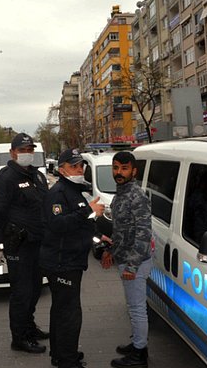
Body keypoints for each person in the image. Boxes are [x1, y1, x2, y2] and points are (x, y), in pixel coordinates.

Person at [0, 132, 50, 354]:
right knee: (21, 293)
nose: (27, 154)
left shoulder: (38, 177)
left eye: (30, 150)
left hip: (37, 243)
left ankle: (29, 327)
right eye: (22, 150)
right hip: (18, 246)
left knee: (34, 290)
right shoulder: (4, 179)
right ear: (13, 153)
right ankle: (19, 338)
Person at [40, 148, 104, 368]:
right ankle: (67, 359)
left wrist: (96, 234)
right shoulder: (58, 193)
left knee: (61, 309)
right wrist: (89, 211)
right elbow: (58, 224)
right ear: (61, 169)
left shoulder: (73, 190)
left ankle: (61, 354)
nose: (79, 169)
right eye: (73, 166)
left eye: (80, 165)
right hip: (61, 263)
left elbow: (79, 224)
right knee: (69, 313)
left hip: (70, 260)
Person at [101, 151, 152, 368]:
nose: (118, 173)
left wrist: (131, 265)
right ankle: (138, 344)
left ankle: (139, 355)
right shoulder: (120, 194)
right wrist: (111, 250)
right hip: (125, 257)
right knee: (133, 306)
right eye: (115, 168)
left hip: (136, 262)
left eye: (123, 168)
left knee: (137, 308)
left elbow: (143, 233)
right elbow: (121, 230)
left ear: (134, 171)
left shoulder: (136, 196)